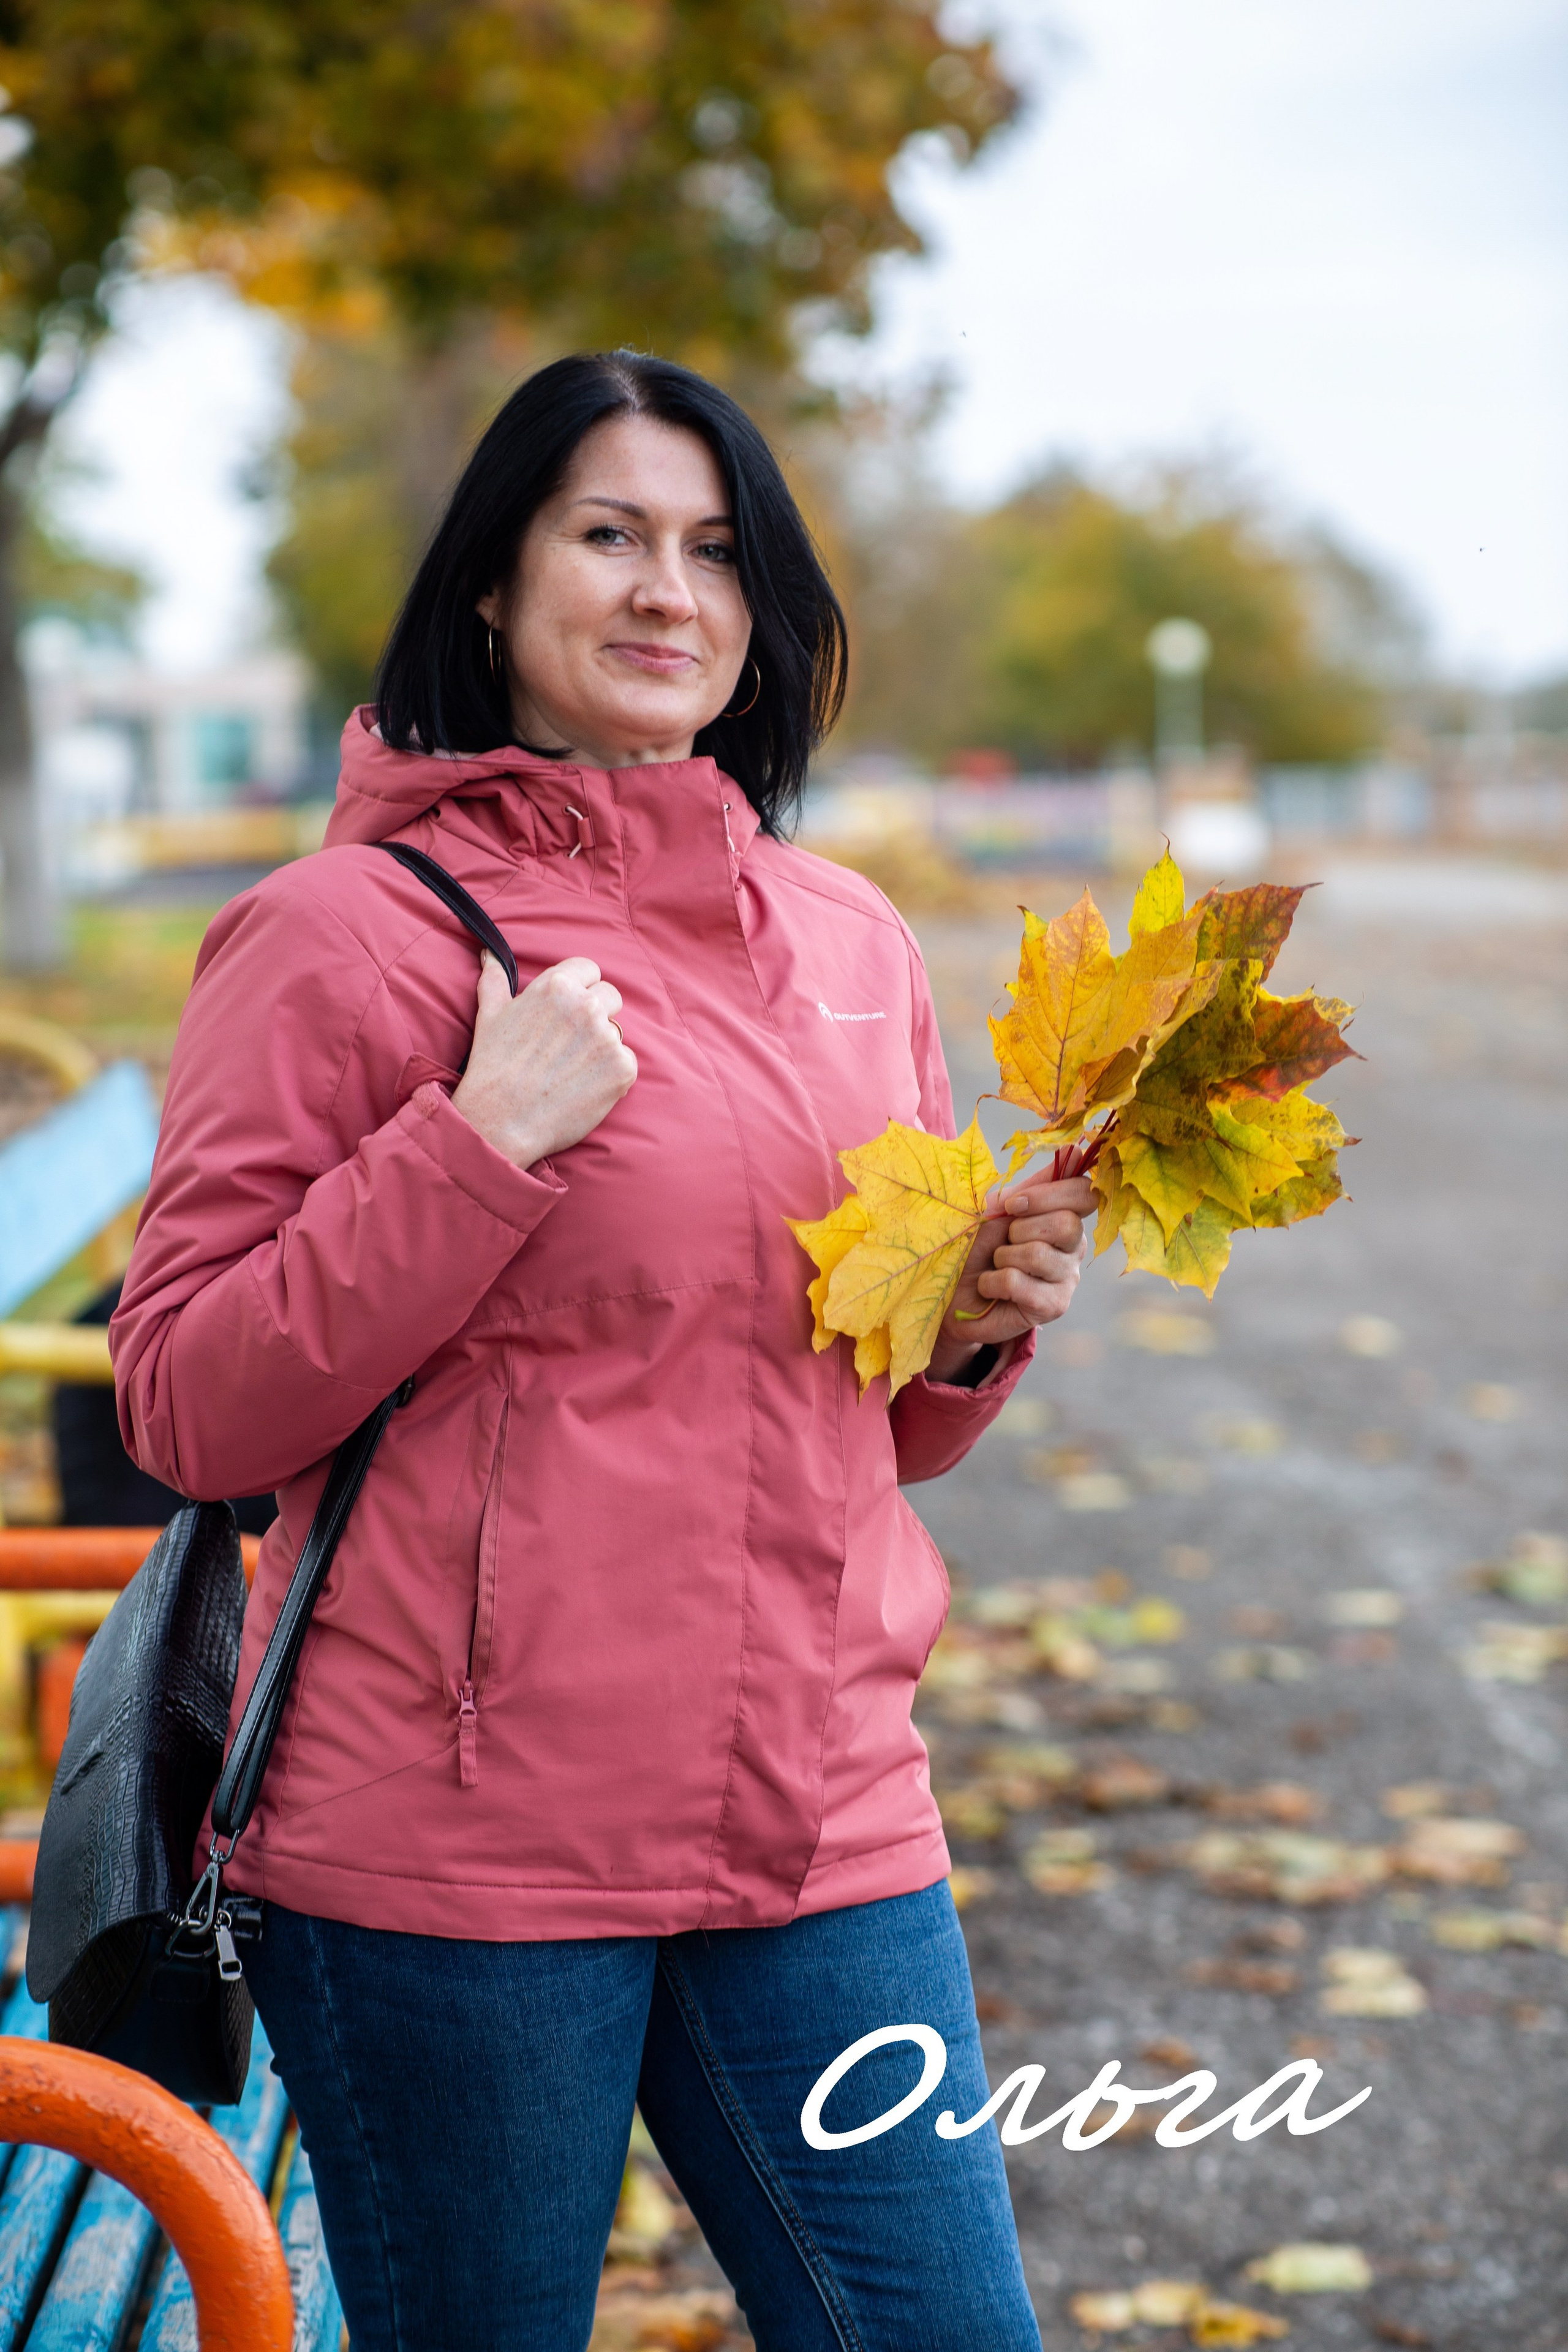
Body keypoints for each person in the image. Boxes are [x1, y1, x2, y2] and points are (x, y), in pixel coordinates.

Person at [110, 352, 1095, 2352]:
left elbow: (870, 1433)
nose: (671, 592)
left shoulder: (849, 942)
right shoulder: (338, 935)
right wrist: (469, 1152)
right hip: (460, 1864)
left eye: (719, 551)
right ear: (493, 582)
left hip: (824, 1817)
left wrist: (972, 1331)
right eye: (611, 535)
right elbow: (187, 1398)